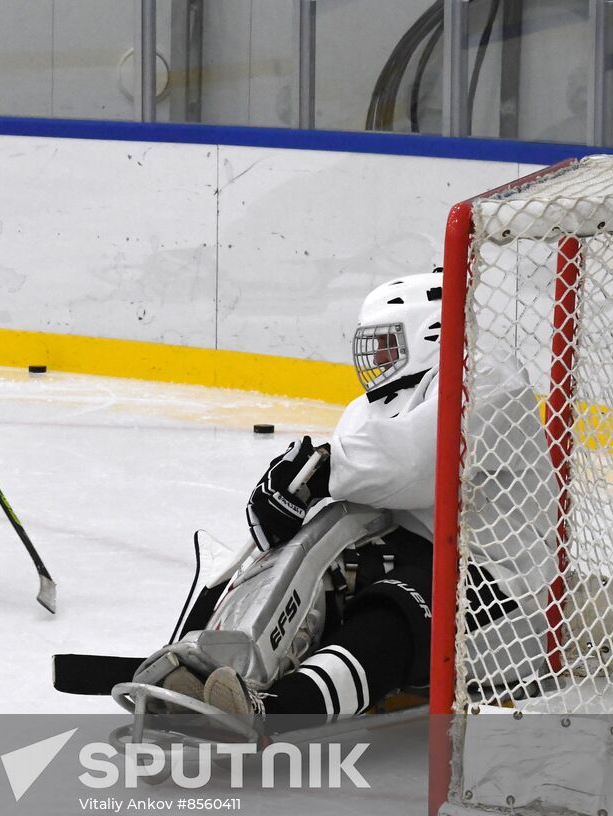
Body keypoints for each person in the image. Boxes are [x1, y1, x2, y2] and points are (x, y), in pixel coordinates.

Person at [160, 269, 554, 718]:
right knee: (312, 568)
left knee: (397, 605)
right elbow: (351, 495)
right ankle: (208, 667)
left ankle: (275, 709)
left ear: (432, 333)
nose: (373, 355)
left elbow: (419, 463)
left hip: (501, 579)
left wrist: (323, 468)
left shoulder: (489, 379)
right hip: (416, 549)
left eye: (387, 342)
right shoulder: (371, 406)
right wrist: (291, 501)